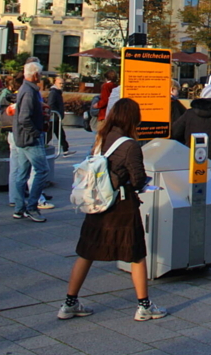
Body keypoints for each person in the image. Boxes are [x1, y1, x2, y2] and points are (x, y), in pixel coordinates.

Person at [58, 98, 167, 322]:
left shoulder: (102, 138)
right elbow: (137, 181)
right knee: (136, 254)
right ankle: (144, 306)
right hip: (122, 206)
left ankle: (69, 303)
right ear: (132, 119)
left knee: (86, 252)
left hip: (97, 203)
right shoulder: (130, 145)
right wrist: (144, 182)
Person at [11, 61, 51, 222]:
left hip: (21, 137)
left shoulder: (25, 89)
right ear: (35, 75)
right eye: (40, 74)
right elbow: (24, 117)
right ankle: (32, 207)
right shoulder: (29, 92)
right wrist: (35, 133)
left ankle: (19, 208)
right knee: (42, 170)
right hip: (29, 138)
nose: (41, 77)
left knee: (22, 174)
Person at [47, 76, 71, 156]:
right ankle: (42, 147)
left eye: (62, 83)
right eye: (60, 83)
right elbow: (51, 104)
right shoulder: (54, 92)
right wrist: (56, 114)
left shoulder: (58, 92)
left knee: (60, 134)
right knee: (49, 135)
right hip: (54, 117)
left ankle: (65, 150)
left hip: (57, 117)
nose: (61, 85)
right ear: (55, 83)